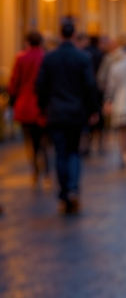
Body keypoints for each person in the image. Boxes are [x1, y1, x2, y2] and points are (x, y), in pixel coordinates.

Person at [36, 21, 98, 214]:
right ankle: (72, 188)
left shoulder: (50, 58)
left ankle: (63, 192)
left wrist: (43, 106)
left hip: (55, 112)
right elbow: (89, 87)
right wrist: (93, 110)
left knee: (60, 153)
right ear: (74, 35)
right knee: (73, 151)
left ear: (60, 34)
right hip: (76, 112)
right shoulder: (82, 58)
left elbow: (40, 86)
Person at [9, 31, 48, 186]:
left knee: (29, 139)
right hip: (41, 104)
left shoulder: (21, 58)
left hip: (25, 104)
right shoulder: (45, 57)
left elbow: (14, 81)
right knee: (43, 138)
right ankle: (46, 168)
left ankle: (34, 168)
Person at [82, 34, 106, 155]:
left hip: (85, 89)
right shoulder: (101, 54)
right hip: (98, 89)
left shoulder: (84, 53)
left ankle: (87, 143)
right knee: (99, 117)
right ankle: (99, 141)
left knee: (87, 117)